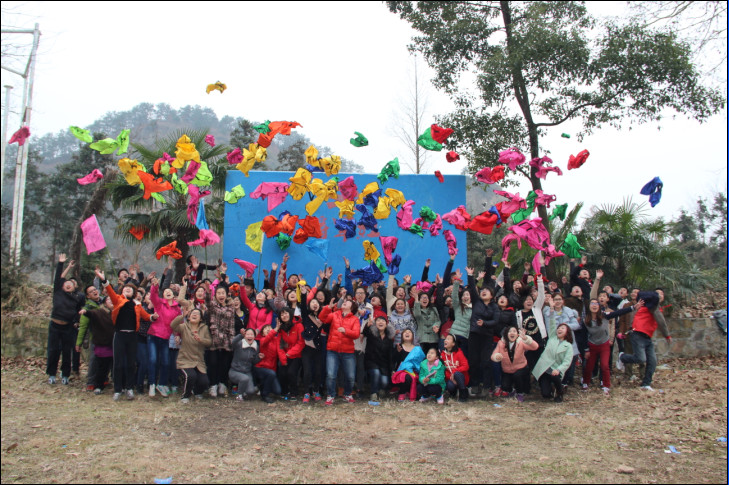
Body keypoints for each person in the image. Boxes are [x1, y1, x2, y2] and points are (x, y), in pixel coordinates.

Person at [96, 267, 158, 402]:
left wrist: (153, 317)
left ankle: (129, 388)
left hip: (132, 336)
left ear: (134, 292)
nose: (128, 289)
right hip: (119, 335)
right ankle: (118, 389)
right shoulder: (118, 300)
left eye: (130, 288)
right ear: (122, 291)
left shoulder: (137, 304)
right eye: (125, 288)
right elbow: (110, 291)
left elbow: (146, 316)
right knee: (118, 363)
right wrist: (104, 279)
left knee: (131, 363)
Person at [583, 298, 642, 394]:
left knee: (605, 365)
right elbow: (584, 336)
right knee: (589, 366)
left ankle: (606, 385)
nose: (594, 305)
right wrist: (586, 350)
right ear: (589, 307)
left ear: (599, 306)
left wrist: (633, 307)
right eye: (592, 303)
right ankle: (585, 382)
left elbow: (619, 312)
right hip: (592, 345)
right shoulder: (585, 320)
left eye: (596, 304)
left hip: (604, 344)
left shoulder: (604, 316)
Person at [616, 291, 672, 391]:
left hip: (647, 337)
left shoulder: (653, 307)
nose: (660, 296)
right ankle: (622, 357)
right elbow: (661, 322)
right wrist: (667, 336)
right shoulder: (653, 307)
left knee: (653, 361)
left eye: (662, 294)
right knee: (641, 358)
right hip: (637, 334)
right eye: (658, 294)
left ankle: (646, 384)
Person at [47, 254, 85, 385]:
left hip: (68, 327)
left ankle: (65, 374)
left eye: (71, 284)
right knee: (53, 350)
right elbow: (59, 277)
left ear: (74, 288)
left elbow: (80, 310)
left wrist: (76, 320)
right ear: (62, 286)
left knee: (66, 351)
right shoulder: (58, 292)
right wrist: (64, 264)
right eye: (66, 283)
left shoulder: (77, 297)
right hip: (54, 325)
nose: (68, 285)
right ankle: (52, 374)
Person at [319, 299, 361, 405]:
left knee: (350, 376)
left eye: (347, 302)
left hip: (348, 351)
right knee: (331, 375)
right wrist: (328, 308)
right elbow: (322, 318)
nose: (344, 302)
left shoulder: (355, 319)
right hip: (332, 350)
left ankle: (347, 394)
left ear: (352, 307)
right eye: (344, 301)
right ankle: (331, 395)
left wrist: (346, 331)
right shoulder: (334, 314)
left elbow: (356, 334)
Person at [466, 265, 499, 397]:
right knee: (473, 361)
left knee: (486, 362)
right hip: (474, 335)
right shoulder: (476, 301)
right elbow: (472, 288)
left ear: (492, 295)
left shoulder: (494, 307)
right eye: (482, 290)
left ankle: (486, 386)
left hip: (486, 336)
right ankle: (474, 385)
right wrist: (470, 276)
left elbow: (495, 321)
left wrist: (484, 323)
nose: (484, 291)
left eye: (487, 290)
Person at [147, 278, 182, 397]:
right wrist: (155, 286)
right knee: (153, 360)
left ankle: (161, 384)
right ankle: (152, 384)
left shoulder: (177, 309)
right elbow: (153, 296)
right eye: (165, 291)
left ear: (173, 294)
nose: (167, 292)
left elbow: (178, 324)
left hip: (165, 338)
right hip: (153, 335)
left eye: (170, 291)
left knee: (166, 362)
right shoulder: (159, 303)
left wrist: (177, 335)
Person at [532, 309, 575, 403]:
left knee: (555, 376)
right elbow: (551, 323)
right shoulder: (552, 337)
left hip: (555, 369)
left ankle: (560, 392)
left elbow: (567, 362)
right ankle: (550, 389)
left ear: (567, 332)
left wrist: (559, 369)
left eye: (563, 328)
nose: (560, 329)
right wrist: (551, 310)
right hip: (544, 368)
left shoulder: (568, 346)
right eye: (559, 328)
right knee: (546, 395)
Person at [171, 306, 212, 403]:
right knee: (191, 376)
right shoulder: (184, 326)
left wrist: (201, 340)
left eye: (197, 314)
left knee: (204, 382)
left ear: (201, 319)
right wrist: (182, 316)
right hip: (185, 359)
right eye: (193, 313)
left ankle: (196, 392)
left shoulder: (204, 328)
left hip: (199, 361)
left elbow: (209, 342)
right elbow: (173, 325)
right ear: (189, 317)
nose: (194, 314)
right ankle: (185, 396)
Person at [75, 296, 115, 394]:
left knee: (110, 365)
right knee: (100, 365)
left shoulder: (117, 313)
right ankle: (97, 385)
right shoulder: (100, 312)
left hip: (113, 344)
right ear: (105, 303)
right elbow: (92, 314)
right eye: (109, 300)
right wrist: (85, 311)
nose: (112, 302)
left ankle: (107, 382)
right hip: (102, 343)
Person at [542, 292, 581, 386]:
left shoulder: (568, 311)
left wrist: (565, 326)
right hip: (555, 342)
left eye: (560, 299)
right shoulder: (548, 312)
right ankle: (557, 384)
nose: (558, 301)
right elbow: (549, 328)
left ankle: (566, 383)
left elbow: (576, 325)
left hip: (570, 341)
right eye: (556, 299)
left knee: (569, 365)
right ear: (552, 301)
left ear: (563, 301)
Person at [492, 327, 538, 402]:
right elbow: (493, 356)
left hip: (521, 368)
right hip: (507, 370)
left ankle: (520, 393)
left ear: (517, 334)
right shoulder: (501, 343)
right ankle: (512, 391)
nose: (512, 333)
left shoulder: (521, 342)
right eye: (510, 331)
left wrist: (526, 338)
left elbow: (535, 347)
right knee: (505, 386)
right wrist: (496, 357)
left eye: (514, 331)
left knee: (517, 376)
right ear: (506, 334)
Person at [206, 282, 236, 397]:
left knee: (224, 364)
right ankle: (213, 385)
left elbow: (232, 325)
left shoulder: (230, 308)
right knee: (213, 363)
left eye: (223, 293)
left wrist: (231, 339)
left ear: (227, 294)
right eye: (218, 293)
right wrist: (208, 292)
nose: (221, 295)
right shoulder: (213, 306)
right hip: (214, 339)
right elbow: (208, 303)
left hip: (227, 340)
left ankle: (222, 384)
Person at [516, 274, 547, 373]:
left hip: (540, 341)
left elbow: (541, 295)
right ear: (522, 302)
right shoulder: (518, 314)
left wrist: (540, 281)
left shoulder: (536, 308)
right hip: (527, 343)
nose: (529, 301)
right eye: (527, 300)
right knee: (530, 364)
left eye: (530, 299)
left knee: (541, 364)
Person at [364, 315, 394, 403]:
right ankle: (373, 393)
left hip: (383, 364)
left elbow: (390, 356)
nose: (380, 322)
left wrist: (392, 369)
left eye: (383, 321)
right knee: (376, 373)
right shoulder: (371, 333)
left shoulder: (389, 339)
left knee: (384, 382)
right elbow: (365, 332)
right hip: (371, 361)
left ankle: (381, 390)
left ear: (386, 324)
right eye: (378, 321)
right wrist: (367, 325)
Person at [277, 307, 305, 400]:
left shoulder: (298, 325)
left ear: (290, 313)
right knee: (281, 371)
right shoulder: (281, 328)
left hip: (297, 355)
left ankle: (294, 392)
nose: (284, 316)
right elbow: (279, 345)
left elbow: (301, 342)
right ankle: (285, 391)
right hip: (285, 355)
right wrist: (283, 357)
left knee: (291, 372)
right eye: (282, 314)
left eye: (285, 313)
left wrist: (289, 353)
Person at [229, 328, 261, 401]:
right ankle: (239, 395)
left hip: (247, 371)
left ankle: (243, 391)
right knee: (244, 378)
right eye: (248, 334)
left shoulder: (256, 346)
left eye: (252, 334)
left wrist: (259, 357)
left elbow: (254, 361)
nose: (250, 336)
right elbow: (232, 342)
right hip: (235, 371)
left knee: (250, 391)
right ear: (245, 335)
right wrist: (240, 335)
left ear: (254, 336)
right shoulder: (240, 343)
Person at [254, 324, 281, 403]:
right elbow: (268, 337)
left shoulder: (276, 340)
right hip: (261, 367)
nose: (268, 329)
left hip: (271, 369)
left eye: (270, 328)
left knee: (278, 391)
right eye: (266, 329)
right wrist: (275, 329)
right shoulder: (263, 340)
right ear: (262, 333)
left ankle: (263, 386)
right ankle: (264, 395)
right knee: (271, 374)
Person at [410, 287, 441, 353]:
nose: (424, 299)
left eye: (426, 297)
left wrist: (436, 326)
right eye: (422, 298)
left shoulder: (434, 309)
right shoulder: (416, 309)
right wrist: (416, 300)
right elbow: (417, 315)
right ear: (419, 300)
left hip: (433, 337)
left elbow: (438, 321)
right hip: (422, 339)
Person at [440, 334, 470, 402]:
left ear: (453, 343)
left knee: (457, 374)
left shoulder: (459, 353)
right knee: (450, 386)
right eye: (445, 339)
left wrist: (454, 372)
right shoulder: (442, 355)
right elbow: (443, 370)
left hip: (461, 377)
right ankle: (453, 393)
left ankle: (463, 394)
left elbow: (466, 366)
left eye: (448, 339)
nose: (445, 340)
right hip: (450, 378)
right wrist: (451, 376)